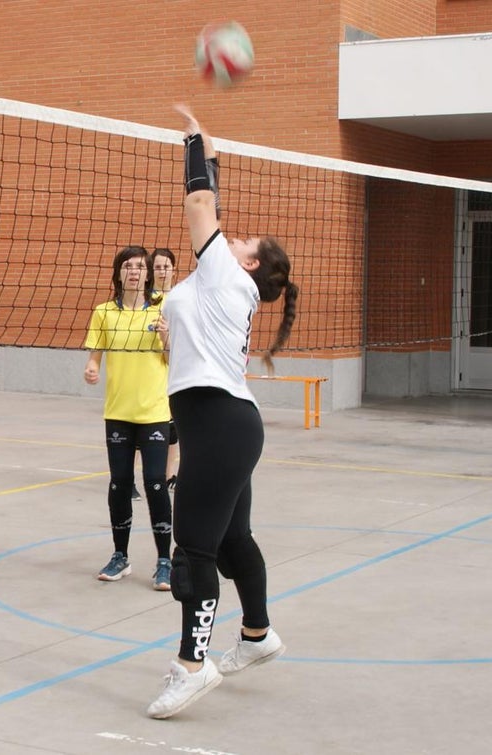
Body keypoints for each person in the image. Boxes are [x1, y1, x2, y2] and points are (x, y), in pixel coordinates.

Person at [145, 105, 297, 719]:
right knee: (233, 540)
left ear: (250, 263)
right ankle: (257, 635)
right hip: (225, 420)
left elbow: (200, 204)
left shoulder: (224, 274)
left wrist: (193, 141)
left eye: (243, 243)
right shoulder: (221, 283)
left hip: (217, 422)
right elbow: (211, 205)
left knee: (194, 549)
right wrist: (210, 155)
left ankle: (192, 664)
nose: (233, 238)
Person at [84, 245, 174, 591]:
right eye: (128, 266)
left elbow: (174, 358)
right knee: (119, 484)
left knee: (155, 483)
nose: (134, 271)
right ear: (118, 273)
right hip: (118, 413)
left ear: (148, 274)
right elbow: (95, 356)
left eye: (139, 266)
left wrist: (166, 337)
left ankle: (164, 561)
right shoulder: (104, 312)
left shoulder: (164, 308)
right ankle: (120, 556)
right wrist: (91, 369)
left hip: (153, 412)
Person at [151, 247, 181, 489]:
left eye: (166, 266)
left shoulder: (180, 298)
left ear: (173, 269)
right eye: (158, 267)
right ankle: (130, 479)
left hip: (175, 367)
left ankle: (169, 475)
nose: (162, 271)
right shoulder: (144, 299)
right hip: (150, 368)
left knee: (172, 429)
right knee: (142, 426)